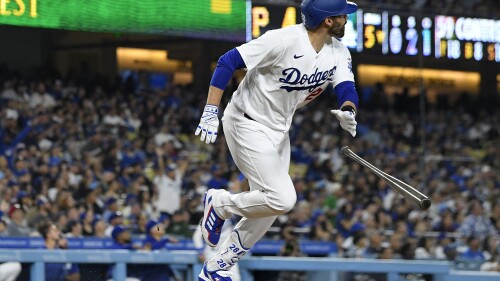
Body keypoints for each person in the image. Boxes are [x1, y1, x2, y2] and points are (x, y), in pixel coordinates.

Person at [194, 0, 359, 279]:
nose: (347, 19)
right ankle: (220, 204)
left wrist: (348, 109)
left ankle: (216, 267)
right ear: (327, 21)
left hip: (279, 130)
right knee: (282, 199)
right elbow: (228, 61)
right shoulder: (282, 40)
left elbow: (345, 86)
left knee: (268, 206)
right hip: (246, 122)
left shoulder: (338, 51)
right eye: (342, 15)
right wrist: (211, 109)